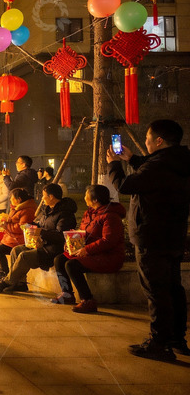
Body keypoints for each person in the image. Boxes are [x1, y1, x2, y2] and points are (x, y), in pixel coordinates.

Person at [108, 119, 190, 361]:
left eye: (147, 139)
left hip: (151, 236)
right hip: (172, 235)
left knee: (156, 291)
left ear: (159, 141)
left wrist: (114, 165)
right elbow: (154, 175)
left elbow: (126, 185)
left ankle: (159, 343)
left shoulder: (158, 166)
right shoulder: (179, 162)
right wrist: (132, 159)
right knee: (173, 289)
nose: (146, 142)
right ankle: (177, 339)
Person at [0, 183, 76, 294]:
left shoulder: (65, 214)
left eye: (44, 195)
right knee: (16, 250)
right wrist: (31, 227)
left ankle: (8, 281)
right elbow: (41, 225)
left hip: (52, 249)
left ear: (51, 196)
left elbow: (61, 236)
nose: (42, 198)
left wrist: (40, 232)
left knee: (24, 256)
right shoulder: (48, 211)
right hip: (42, 244)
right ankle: (20, 283)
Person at [53, 185, 126, 312]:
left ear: (95, 200)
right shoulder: (89, 213)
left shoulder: (111, 216)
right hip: (92, 253)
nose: (84, 198)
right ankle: (67, 294)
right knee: (59, 259)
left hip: (108, 256)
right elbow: (84, 233)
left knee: (72, 265)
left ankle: (87, 300)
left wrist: (87, 249)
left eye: (86, 196)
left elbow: (108, 241)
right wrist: (72, 241)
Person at [0, 188, 36, 281]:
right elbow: (11, 220)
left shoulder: (27, 211)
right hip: (11, 237)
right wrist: (4, 222)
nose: (10, 200)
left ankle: (5, 272)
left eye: (12, 198)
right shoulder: (16, 208)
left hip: (18, 240)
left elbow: (22, 227)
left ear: (19, 199)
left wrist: (6, 225)